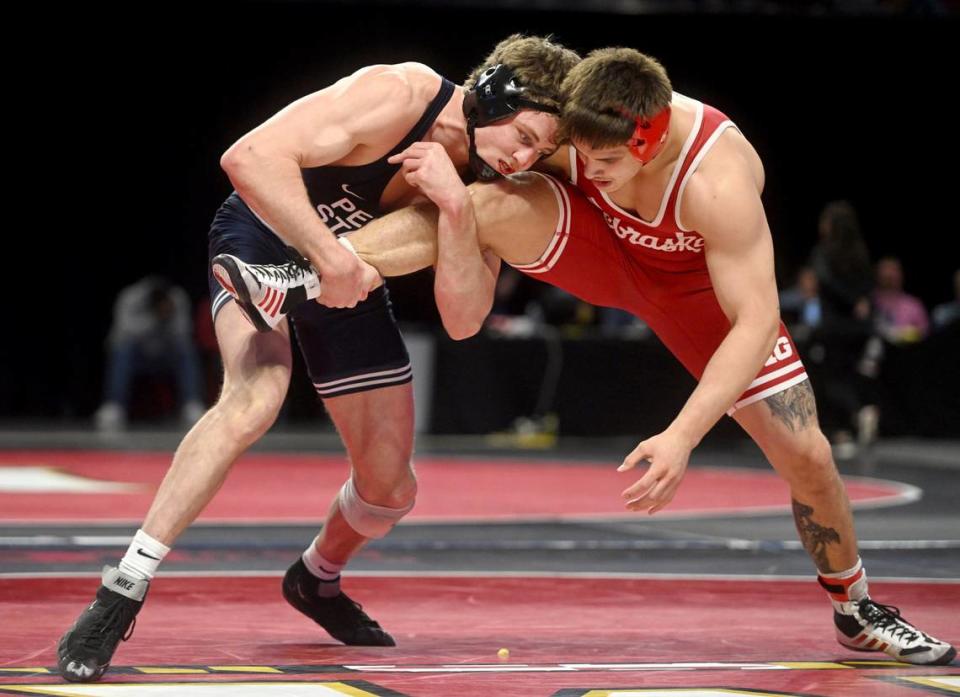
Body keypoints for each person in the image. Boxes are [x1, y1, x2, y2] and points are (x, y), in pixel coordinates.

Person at [225, 46, 955, 665]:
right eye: (570, 149)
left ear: (649, 139)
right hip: (600, 251)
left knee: (810, 457)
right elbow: (513, 132)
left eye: (603, 158)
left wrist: (680, 436)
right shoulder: (576, 128)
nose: (578, 164)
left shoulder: (715, 177)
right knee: (479, 204)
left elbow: (757, 320)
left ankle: (855, 610)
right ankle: (303, 275)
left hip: (696, 292)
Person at [56, 35, 581, 684]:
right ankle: (124, 586)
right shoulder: (403, 93)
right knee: (255, 398)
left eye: (541, 151)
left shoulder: (486, 181)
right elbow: (248, 155)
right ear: (495, 92)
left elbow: (464, 318)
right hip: (264, 240)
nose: (525, 158)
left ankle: (315, 577)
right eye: (525, 136)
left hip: (347, 275)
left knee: (391, 489)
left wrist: (452, 205)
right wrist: (324, 255)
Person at [93, 275, 206, 430]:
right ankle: (114, 407)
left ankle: (191, 404)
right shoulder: (130, 297)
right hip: (137, 356)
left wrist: (168, 319)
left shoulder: (177, 298)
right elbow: (121, 334)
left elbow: (184, 333)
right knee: (122, 350)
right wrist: (155, 319)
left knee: (186, 350)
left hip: (167, 355)